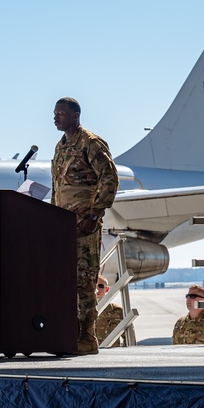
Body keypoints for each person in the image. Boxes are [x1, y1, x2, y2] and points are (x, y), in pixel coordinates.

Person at [51, 97, 119, 355]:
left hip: (83, 226)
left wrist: (94, 214)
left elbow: (109, 178)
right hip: (62, 226)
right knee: (65, 283)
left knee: (83, 282)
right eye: (55, 113)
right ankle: (69, 334)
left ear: (75, 115)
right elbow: (58, 188)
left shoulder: (90, 143)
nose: (56, 117)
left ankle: (87, 339)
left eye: (61, 113)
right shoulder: (61, 147)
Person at [94, 275, 124, 347]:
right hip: (89, 354)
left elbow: (128, 336)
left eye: (100, 286)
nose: (97, 289)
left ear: (107, 289)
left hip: (111, 355)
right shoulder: (81, 311)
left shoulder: (117, 311)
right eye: (94, 286)